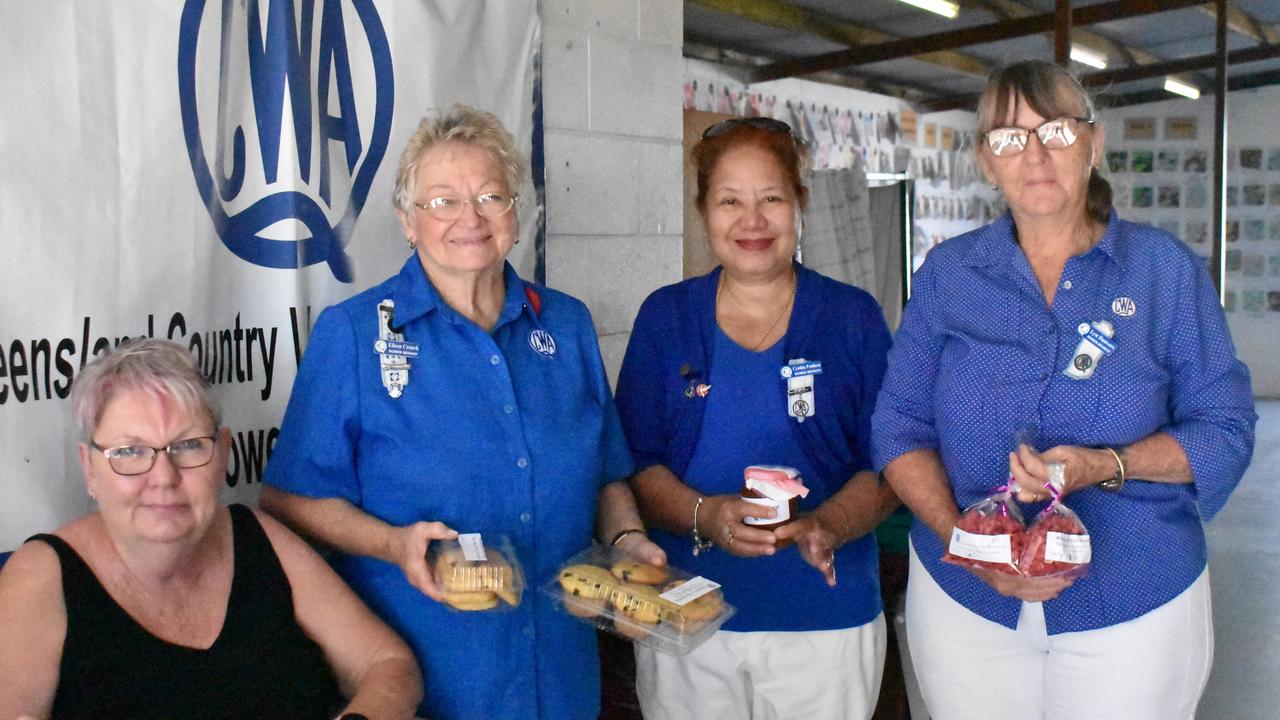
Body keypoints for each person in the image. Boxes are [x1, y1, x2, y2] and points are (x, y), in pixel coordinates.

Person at [872, 60, 1257, 720]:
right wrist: (964, 538)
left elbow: (1224, 427)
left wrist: (1105, 465)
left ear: (1094, 143)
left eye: (1055, 128)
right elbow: (898, 424)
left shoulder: (1162, 271)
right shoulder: (949, 275)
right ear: (987, 164)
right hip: (968, 602)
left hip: (1134, 592)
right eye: (1009, 137)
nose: (1036, 154)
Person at [259, 104, 665, 720]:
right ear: (407, 220)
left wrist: (627, 539)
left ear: (516, 213)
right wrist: (393, 544)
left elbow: (605, 471)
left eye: (490, 196)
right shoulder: (353, 336)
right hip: (430, 682)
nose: (469, 218)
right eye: (442, 201)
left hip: (561, 680)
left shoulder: (566, 324)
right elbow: (289, 501)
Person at [615, 117, 900, 720]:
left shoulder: (851, 317)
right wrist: (705, 514)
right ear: (703, 210)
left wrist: (830, 524)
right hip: (686, 611)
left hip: (824, 618)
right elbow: (633, 462)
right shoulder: (666, 318)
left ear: (800, 202)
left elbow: (893, 461)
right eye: (729, 201)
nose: (751, 220)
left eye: (771, 198)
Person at [0, 338, 421, 720]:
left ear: (222, 454)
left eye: (187, 446)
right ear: (89, 468)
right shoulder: (40, 577)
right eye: (129, 451)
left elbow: (387, 662)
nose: (163, 476)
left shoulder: (257, 537)